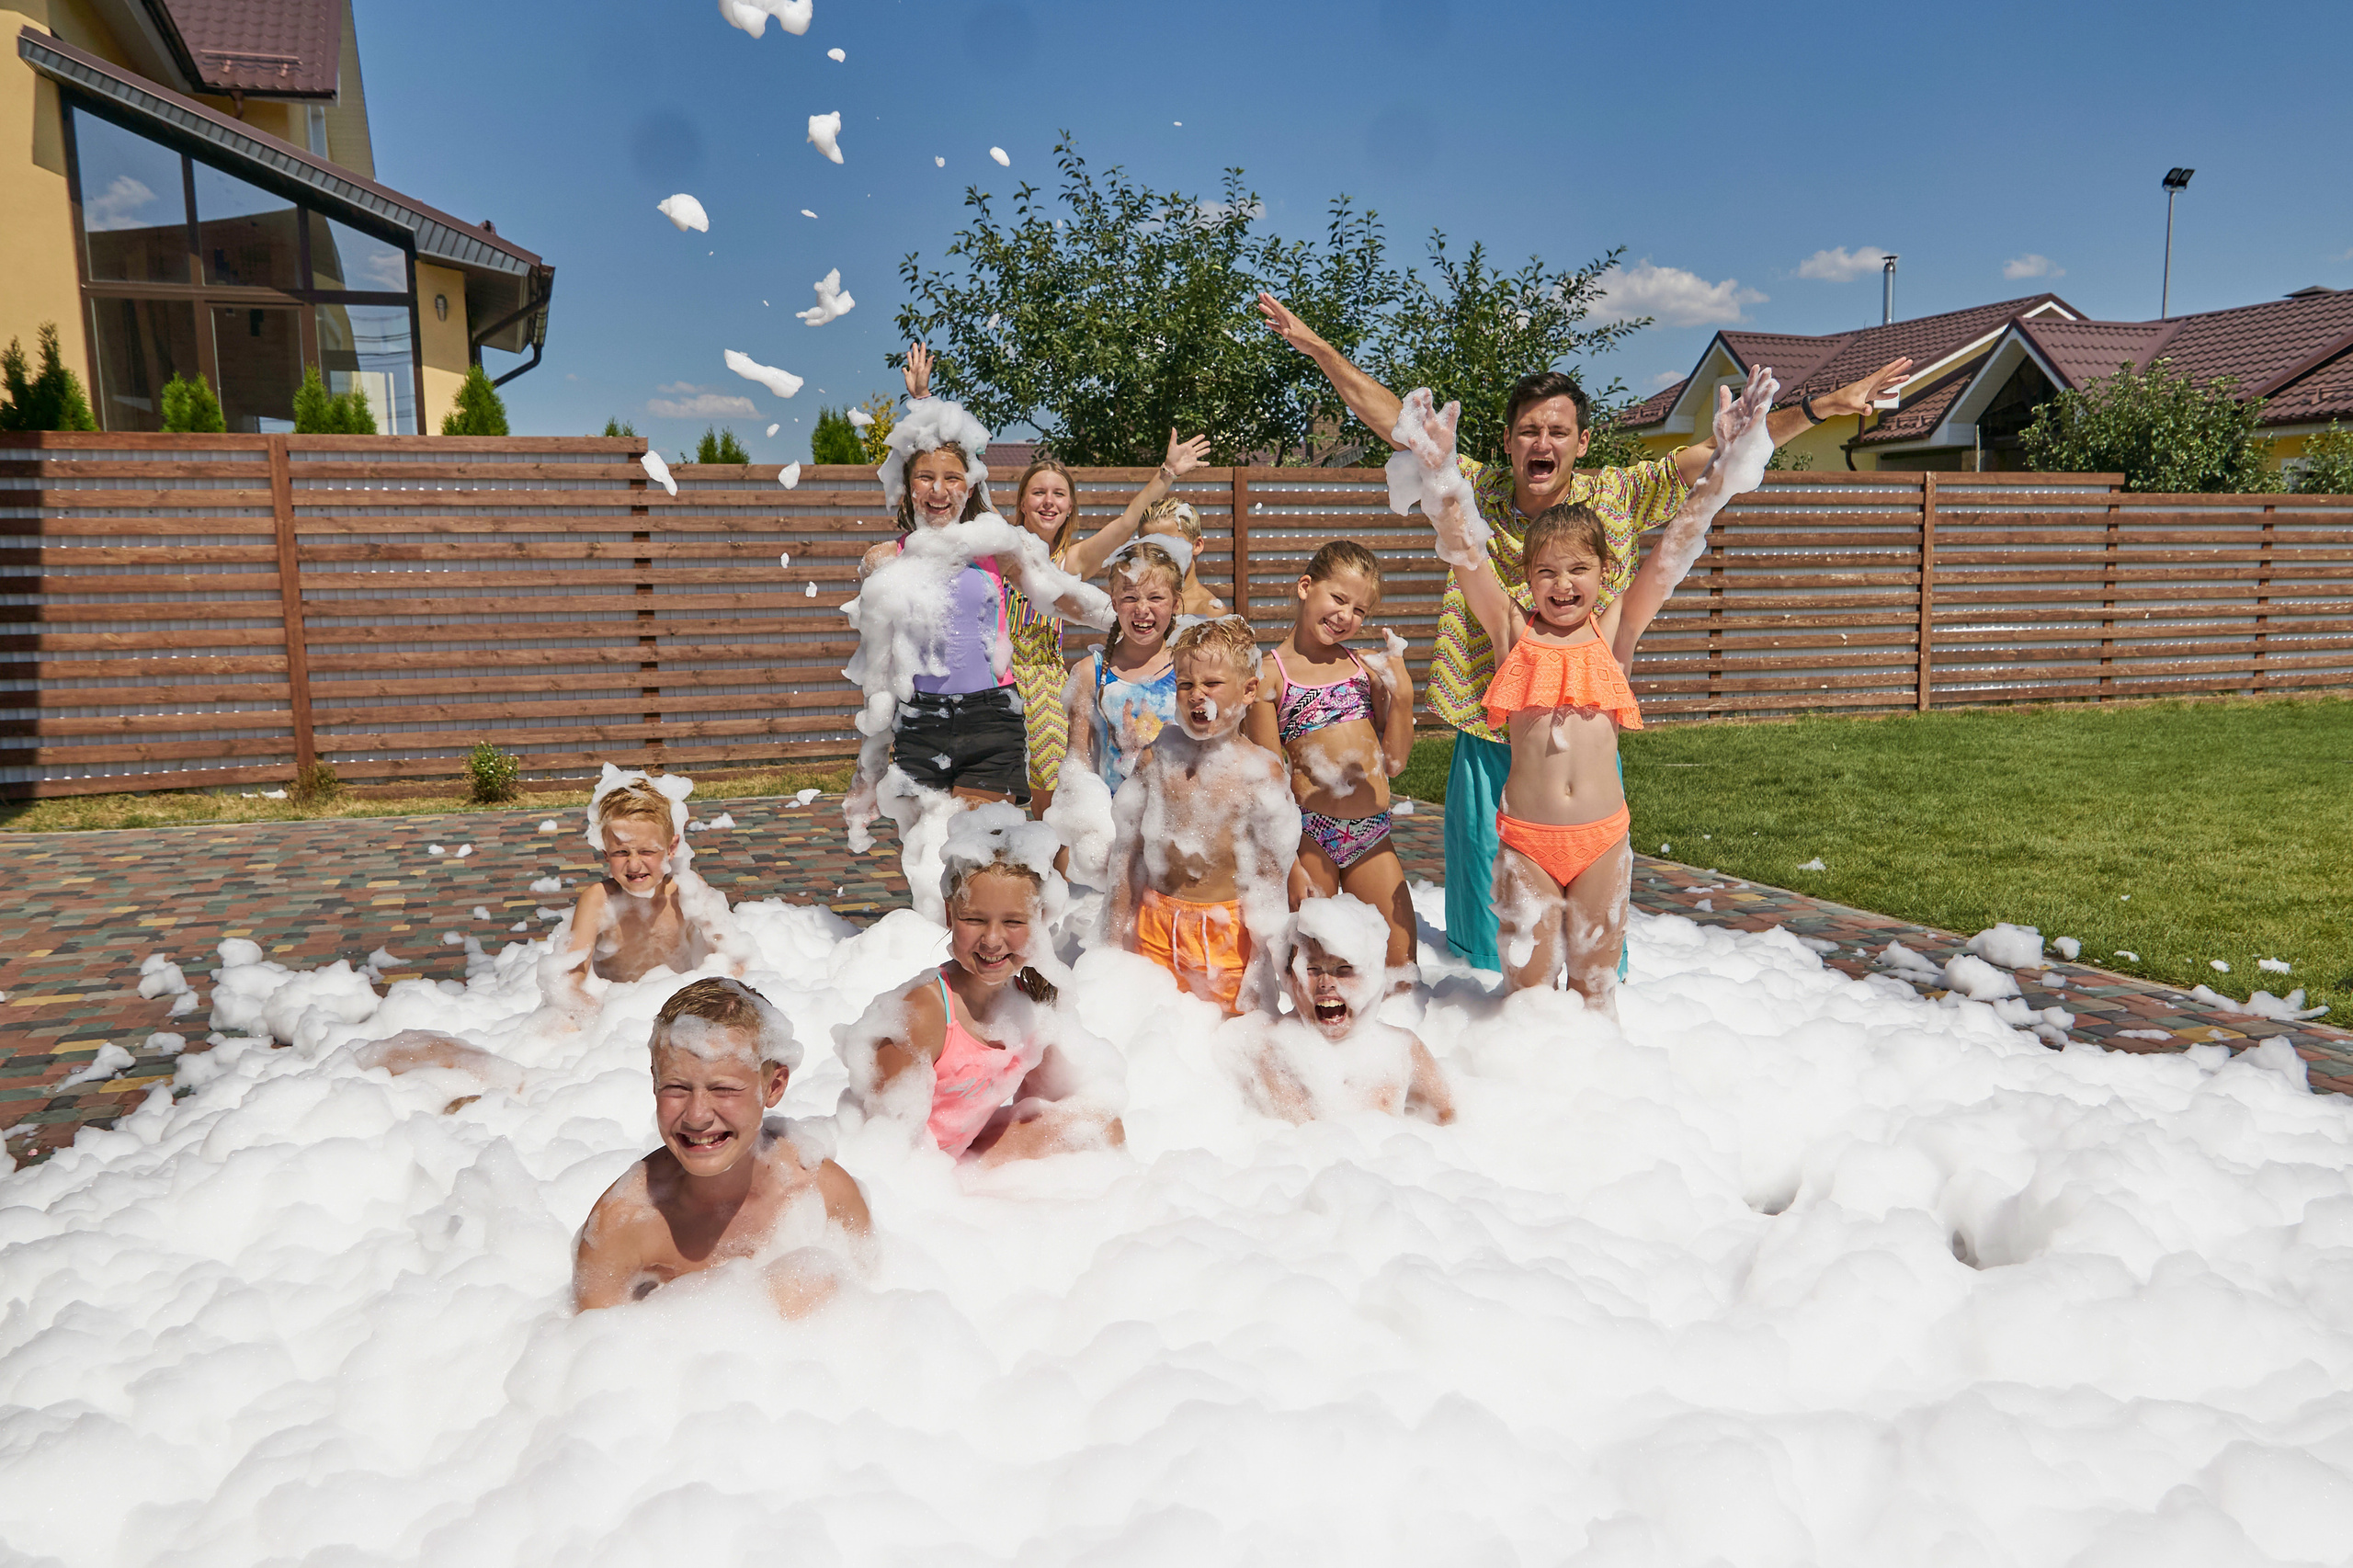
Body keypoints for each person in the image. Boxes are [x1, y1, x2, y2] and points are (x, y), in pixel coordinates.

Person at [1256, 290, 1911, 971]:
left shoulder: (1618, 497)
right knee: (1488, 953)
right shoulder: (1468, 494)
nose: (1543, 443)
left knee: (1596, 955)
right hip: (1487, 745)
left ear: (1582, 442)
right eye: (1529, 431)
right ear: (1508, 442)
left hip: (1581, 748)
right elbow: (1400, 424)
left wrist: (1824, 407)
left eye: (1558, 431)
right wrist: (1321, 351)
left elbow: (1722, 459)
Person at [1399, 369, 1776, 1009]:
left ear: (1606, 573)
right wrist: (1441, 482)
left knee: (1597, 992)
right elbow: (1466, 555)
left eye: (1580, 570)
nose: (1564, 585)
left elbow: (1676, 547)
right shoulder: (1511, 634)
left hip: (1602, 838)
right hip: (1527, 843)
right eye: (1546, 572)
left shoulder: (1616, 633)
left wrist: (1726, 466)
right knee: (1528, 998)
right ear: (1527, 576)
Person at [847, 344, 1109, 820]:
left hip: (990, 717)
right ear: (908, 488)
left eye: (952, 478)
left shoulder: (992, 546)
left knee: (979, 859)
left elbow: (1062, 596)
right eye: (925, 478)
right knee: (928, 866)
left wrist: (1126, 619)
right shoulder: (884, 563)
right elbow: (877, 668)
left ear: (968, 487)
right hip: (919, 718)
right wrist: (866, 770)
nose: (939, 489)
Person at [842, 806, 1127, 1163]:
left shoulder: (1032, 1003)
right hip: (915, 1174)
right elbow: (879, 1154)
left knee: (1102, 1129)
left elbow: (1051, 1095)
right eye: (974, 919)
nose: (992, 940)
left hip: (962, 1159)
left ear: (1040, 920)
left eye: (1013, 921)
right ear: (949, 915)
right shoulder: (920, 1017)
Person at [572, 977, 871, 1314]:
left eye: (723, 1089)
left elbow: (870, 1312)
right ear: (654, 1083)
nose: (697, 1116)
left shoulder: (823, 1194)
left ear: (773, 1087)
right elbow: (590, 1350)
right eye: (676, 1088)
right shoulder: (623, 1224)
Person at [1001, 432, 1211, 815]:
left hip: (1045, 681)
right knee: (995, 798)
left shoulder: (1072, 561)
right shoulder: (997, 551)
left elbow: (1128, 521)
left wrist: (1167, 474)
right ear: (1021, 503)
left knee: (1048, 803)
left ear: (1069, 509)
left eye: (1059, 494)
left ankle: (1051, 869)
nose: (1049, 501)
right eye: (1038, 493)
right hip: (995, 679)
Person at [1107, 616, 1300, 1016]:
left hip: (1226, 933)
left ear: (1249, 691)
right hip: (1154, 924)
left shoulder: (1260, 773)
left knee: (1227, 1038)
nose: (1197, 694)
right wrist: (1111, 939)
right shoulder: (1156, 758)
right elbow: (1127, 854)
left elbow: (1268, 876)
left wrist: (1265, 960)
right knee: (1150, 1032)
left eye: (1211, 684)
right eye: (1185, 684)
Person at [1245, 540, 1417, 972]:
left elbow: (1395, 762)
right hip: (1309, 837)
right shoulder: (1271, 675)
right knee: (1308, 965)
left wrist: (1404, 698)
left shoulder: (1364, 669)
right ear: (1306, 587)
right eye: (1338, 599)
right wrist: (1289, 864)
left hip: (1371, 835)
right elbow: (1268, 781)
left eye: (1359, 610)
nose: (1346, 616)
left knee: (1399, 966)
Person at [543, 767, 752, 1020]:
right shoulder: (598, 900)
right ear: (606, 853)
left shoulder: (687, 889)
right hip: (619, 1016)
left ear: (671, 848)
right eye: (621, 853)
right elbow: (569, 981)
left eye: (646, 852)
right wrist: (596, 1018)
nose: (633, 865)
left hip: (680, 1012)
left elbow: (732, 956)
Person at [1224, 897, 1453, 1125]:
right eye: (1312, 969)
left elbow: (1450, 1119)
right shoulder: (1261, 1047)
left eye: (1343, 969)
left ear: (1371, 976)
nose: (1326, 982)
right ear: (1291, 979)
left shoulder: (1402, 1049)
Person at [1061, 540, 1183, 796]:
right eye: (1130, 598)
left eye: (1156, 598)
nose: (1142, 609)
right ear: (1114, 603)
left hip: (1179, 817)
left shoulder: (1188, 668)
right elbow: (1078, 763)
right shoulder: (1090, 673)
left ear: (1175, 604)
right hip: (1114, 818)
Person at [1136, 497, 1226, 618]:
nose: (1161, 555)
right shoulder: (1133, 602)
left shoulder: (1209, 611)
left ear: (1197, 546)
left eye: (1170, 544)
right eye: (1151, 546)